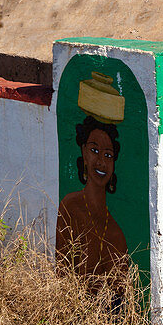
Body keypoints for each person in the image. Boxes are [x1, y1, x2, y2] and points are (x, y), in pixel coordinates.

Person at [56, 115, 128, 276]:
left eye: (108, 155)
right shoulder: (70, 207)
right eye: (94, 151)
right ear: (84, 152)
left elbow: (121, 292)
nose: (101, 162)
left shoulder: (116, 234)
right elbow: (62, 270)